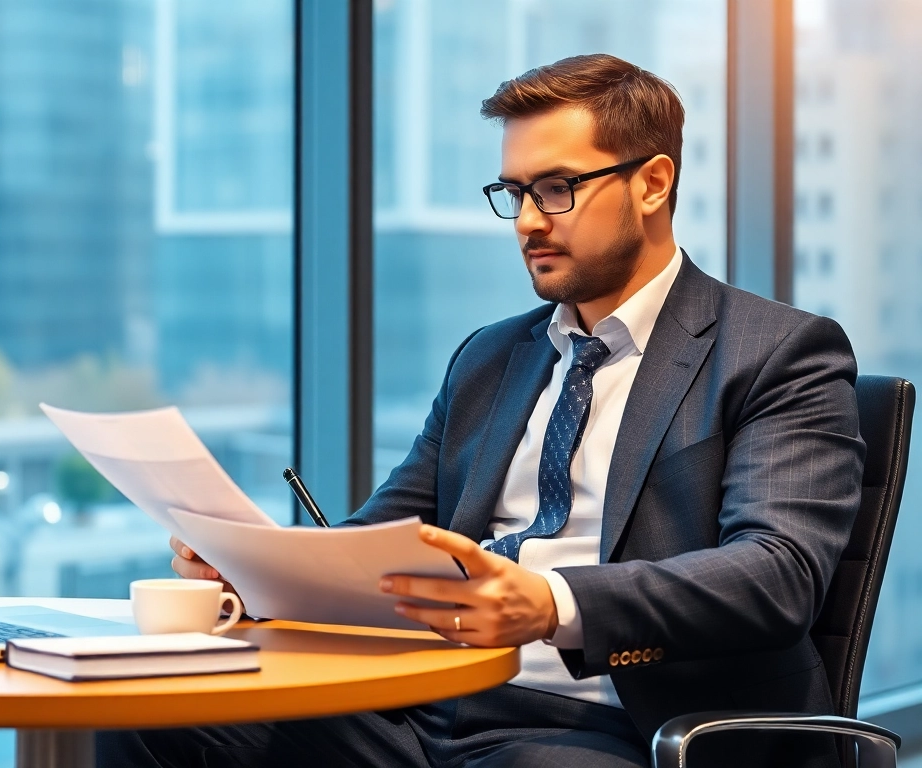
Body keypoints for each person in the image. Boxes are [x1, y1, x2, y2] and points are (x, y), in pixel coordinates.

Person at [100, 53, 863, 768]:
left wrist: (552, 603)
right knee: (156, 711)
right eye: (516, 193)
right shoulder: (493, 358)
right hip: (429, 702)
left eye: (557, 188)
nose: (529, 221)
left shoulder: (777, 352)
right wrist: (260, 576)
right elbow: (380, 544)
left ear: (653, 183)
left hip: (615, 726)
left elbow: (777, 574)